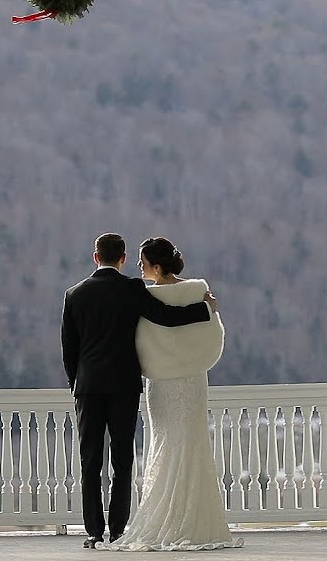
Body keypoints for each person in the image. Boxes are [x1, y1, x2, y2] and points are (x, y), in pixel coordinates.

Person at [62, 233, 218, 550]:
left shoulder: (74, 294)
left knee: (90, 461)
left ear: (96, 257)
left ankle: (93, 531)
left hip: (88, 388)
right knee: (123, 460)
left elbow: (69, 350)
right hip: (123, 385)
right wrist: (203, 309)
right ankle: (118, 529)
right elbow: (165, 317)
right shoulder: (131, 288)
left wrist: (76, 384)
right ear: (122, 259)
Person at [104, 237, 243, 551]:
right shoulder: (197, 291)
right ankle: (194, 520)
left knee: (166, 443)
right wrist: (207, 308)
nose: (139, 268)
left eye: (142, 263)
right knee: (192, 443)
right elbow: (211, 337)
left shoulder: (145, 294)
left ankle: (171, 518)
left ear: (156, 266)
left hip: (162, 381)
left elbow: (146, 331)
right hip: (192, 380)